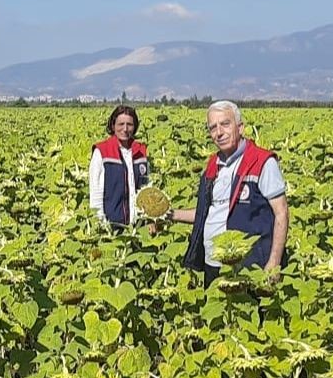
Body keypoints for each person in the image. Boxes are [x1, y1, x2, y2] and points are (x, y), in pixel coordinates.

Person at [171, 101, 288, 282]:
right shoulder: (212, 165)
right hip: (213, 262)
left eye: (225, 124)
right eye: (213, 128)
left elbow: (281, 213)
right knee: (215, 310)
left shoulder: (262, 162)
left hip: (250, 264)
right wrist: (169, 214)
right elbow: (207, 213)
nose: (219, 133)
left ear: (240, 127)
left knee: (249, 309)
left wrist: (274, 261)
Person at [89, 105, 150, 226]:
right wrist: (101, 225)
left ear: (135, 127)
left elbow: (147, 188)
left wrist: (149, 219)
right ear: (113, 126)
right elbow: (96, 193)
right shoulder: (102, 152)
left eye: (130, 124)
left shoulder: (141, 151)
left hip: (139, 225)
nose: (125, 129)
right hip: (112, 226)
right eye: (121, 124)